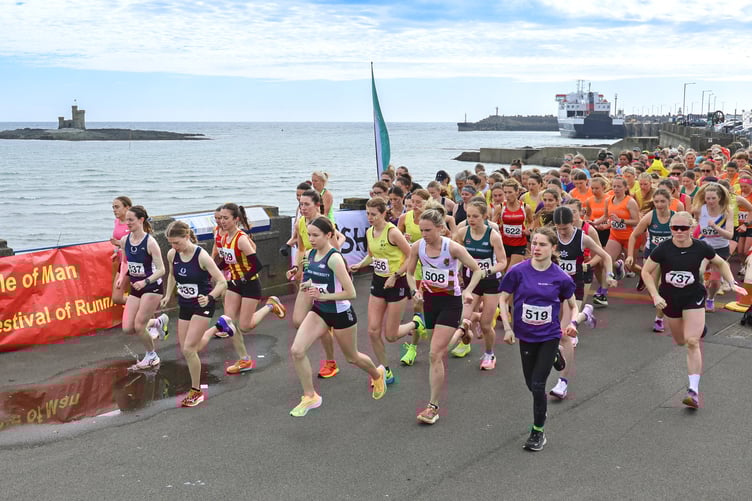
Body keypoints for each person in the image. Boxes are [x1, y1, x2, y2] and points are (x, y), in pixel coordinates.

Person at [642, 211, 746, 408]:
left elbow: (721, 262)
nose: (679, 232)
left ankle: (693, 391)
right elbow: (647, 272)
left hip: (693, 297)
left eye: (684, 228)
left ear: (692, 228)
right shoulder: (663, 249)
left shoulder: (700, 247)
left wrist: (731, 282)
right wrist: (655, 295)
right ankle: (699, 329)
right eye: (675, 228)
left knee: (691, 342)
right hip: (670, 299)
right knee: (681, 340)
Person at [289, 216, 387, 417]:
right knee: (297, 350)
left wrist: (324, 295)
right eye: (309, 235)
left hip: (341, 313)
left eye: (316, 235)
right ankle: (310, 396)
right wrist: (305, 285)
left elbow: (351, 293)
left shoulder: (334, 258)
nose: (312, 239)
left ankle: (378, 375)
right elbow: (308, 278)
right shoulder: (308, 254)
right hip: (320, 311)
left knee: (352, 358)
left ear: (329, 235)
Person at [404, 203, 483, 425]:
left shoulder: (453, 248)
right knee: (439, 348)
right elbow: (409, 274)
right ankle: (464, 329)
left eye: (428, 230)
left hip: (450, 303)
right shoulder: (417, 247)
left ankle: (433, 406)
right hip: (429, 302)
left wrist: (467, 290)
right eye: (422, 230)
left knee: (434, 354)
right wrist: (414, 290)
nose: (424, 234)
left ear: (440, 228)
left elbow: (476, 269)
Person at [500, 227, 578, 451]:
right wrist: (507, 328)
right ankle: (556, 357)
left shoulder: (560, 277)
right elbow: (503, 298)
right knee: (530, 383)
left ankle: (538, 432)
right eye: (534, 243)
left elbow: (572, 306)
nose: (536, 248)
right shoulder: (518, 271)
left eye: (542, 244)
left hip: (549, 335)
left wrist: (571, 324)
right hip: (526, 335)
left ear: (553, 248)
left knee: (537, 385)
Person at [204, 203, 287, 374]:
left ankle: (270, 305)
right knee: (229, 323)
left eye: (226, 218)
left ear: (236, 219)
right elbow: (226, 260)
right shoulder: (222, 236)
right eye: (220, 218)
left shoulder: (241, 238)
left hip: (249, 283)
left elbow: (257, 265)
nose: (222, 222)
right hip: (233, 283)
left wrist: (241, 279)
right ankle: (244, 360)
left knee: (245, 326)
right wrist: (213, 272)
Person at [549, 207, 615, 399]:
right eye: (559, 228)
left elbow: (606, 256)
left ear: (574, 223)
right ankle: (585, 314)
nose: (562, 232)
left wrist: (609, 275)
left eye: (566, 228)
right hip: (553, 286)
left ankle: (563, 383)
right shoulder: (551, 237)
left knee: (564, 334)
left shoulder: (582, 237)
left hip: (573, 286)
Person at [160, 221, 227, 407]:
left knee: (189, 349)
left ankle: (196, 391)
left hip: (202, 305)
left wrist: (210, 297)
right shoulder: (172, 253)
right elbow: (173, 275)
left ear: (186, 237)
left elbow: (222, 282)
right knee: (189, 349)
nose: (174, 247)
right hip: (185, 305)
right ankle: (218, 328)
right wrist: (167, 295)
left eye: (177, 242)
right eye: (171, 243)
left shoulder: (202, 256)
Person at [350, 197, 413, 385]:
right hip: (378, 282)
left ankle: (416, 323)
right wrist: (360, 265)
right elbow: (372, 256)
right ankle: (385, 369)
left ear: (383, 213)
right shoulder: (369, 232)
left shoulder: (393, 233)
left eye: (374, 214)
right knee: (372, 330)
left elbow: (411, 256)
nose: (370, 218)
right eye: (367, 214)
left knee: (391, 336)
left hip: (397, 282)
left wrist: (395, 275)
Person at [287, 189, 344, 377]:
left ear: (317, 205)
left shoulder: (325, 223)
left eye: (306, 204)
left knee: (321, 321)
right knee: (297, 320)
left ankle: (330, 362)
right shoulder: (301, 222)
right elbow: (303, 249)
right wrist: (297, 269)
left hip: (327, 278)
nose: (302, 208)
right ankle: (324, 330)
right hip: (309, 277)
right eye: (300, 204)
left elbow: (335, 249)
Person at [450, 199, 507, 366]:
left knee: (486, 325)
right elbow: (457, 256)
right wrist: (455, 272)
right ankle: (474, 324)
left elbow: (503, 263)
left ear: (485, 216)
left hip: (490, 282)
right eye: (468, 216)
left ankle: (489, 354)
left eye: (475, 216)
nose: (471, 220)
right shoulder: (462, 233)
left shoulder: (493, 235)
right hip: (471, 282)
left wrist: (486, 271)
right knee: (462, 319)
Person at [116, 205, 166, 370]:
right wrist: (122, 277)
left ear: (141, 220)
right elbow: (125, 262)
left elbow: (161, 270)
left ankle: (152, 356)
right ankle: (157, 322)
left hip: (152, 286)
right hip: (135, 286)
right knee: (128, 328)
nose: (127, 223)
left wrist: (145, 282)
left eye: (131, 220)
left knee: (139, 326)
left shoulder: (150, 242)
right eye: (126, 220)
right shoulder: (125, 240)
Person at [625, 188, 674, 331]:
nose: (659, 204)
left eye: (662, 201)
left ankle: (659, 318)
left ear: (669, 202)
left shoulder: (675, 217)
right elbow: (634, 235)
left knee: (663, 287)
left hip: (669, 256)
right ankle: (659, 318)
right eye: (656, 201)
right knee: (658, 287)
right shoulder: (649, 217)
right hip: (652, 255)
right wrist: (629, 255)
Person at [594, 177, 640, 305]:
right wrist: (594, 222)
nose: (616, 189)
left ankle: (645, 276)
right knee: (605, 260)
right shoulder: (609, 200)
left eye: (619, 186)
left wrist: (621, 221)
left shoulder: (630, 202)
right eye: (614, 186)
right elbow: (605, 216)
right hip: (615, 235)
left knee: (630, 265)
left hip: (631, 237)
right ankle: (603, 293)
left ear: (626, 188)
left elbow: (637, 221)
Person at [691, 183, 734, 311]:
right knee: (699, 272)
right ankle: (699, 296)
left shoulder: (727, 211)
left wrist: (716, 227)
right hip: (704, 246)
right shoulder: (701, 209)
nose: (710, 201)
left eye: (713, 198)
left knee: (715, 282)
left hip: (720, 248)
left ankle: (710, 298)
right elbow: (698, 227)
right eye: (707, 198)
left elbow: (730, 235)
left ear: (719, 198)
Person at [110, 196, 132, 305]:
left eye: (117, 207)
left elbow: (139, 242)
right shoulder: (117, 221)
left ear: (127, 208)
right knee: (117, 298)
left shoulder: (133, 222)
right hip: (123, 263)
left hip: (136, 262)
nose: (114, 210)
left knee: (141, 294)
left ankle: (154, 321)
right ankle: (156, 321)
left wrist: (118, 243)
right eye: (113, 207)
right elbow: (118, 241)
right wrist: (115, 252)